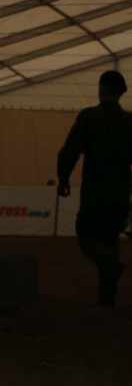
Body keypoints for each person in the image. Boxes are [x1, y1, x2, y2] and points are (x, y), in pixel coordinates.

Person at [57, 69, 132, 306]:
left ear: (100, 90)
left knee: (87, 236)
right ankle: (107, 295)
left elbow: (69, 151)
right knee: (111, 237)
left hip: (95, 188)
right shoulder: (130, 121)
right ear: (121, 93)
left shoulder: (89, 117)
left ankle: (109, 264)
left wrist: (64, 179)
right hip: (121, 190)